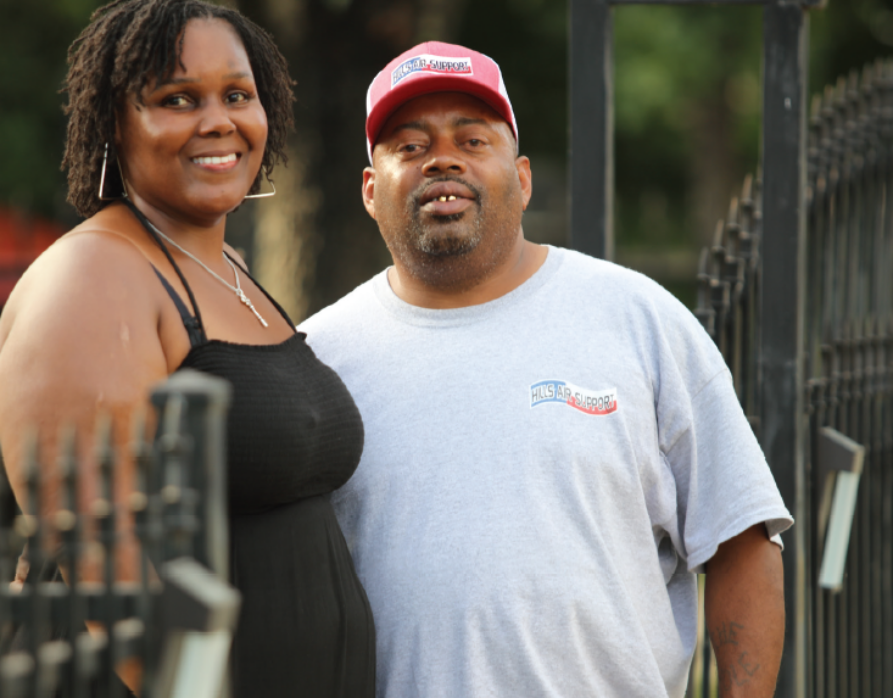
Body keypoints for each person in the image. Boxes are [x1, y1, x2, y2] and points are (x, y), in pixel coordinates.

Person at [300, 41, 793, 698]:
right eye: (410, 146)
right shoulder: (319, 357)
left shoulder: (637, 318)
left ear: (523, 178)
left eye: (473, 141)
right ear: (370, 189)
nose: (441, 158)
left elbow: (742, 539)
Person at [0, 0, 374, 697]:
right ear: (116, 122)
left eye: (239, 94)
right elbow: (114, 582)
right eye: (176, 99)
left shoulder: (226, 269)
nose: (218, 122)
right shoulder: (94, 277)